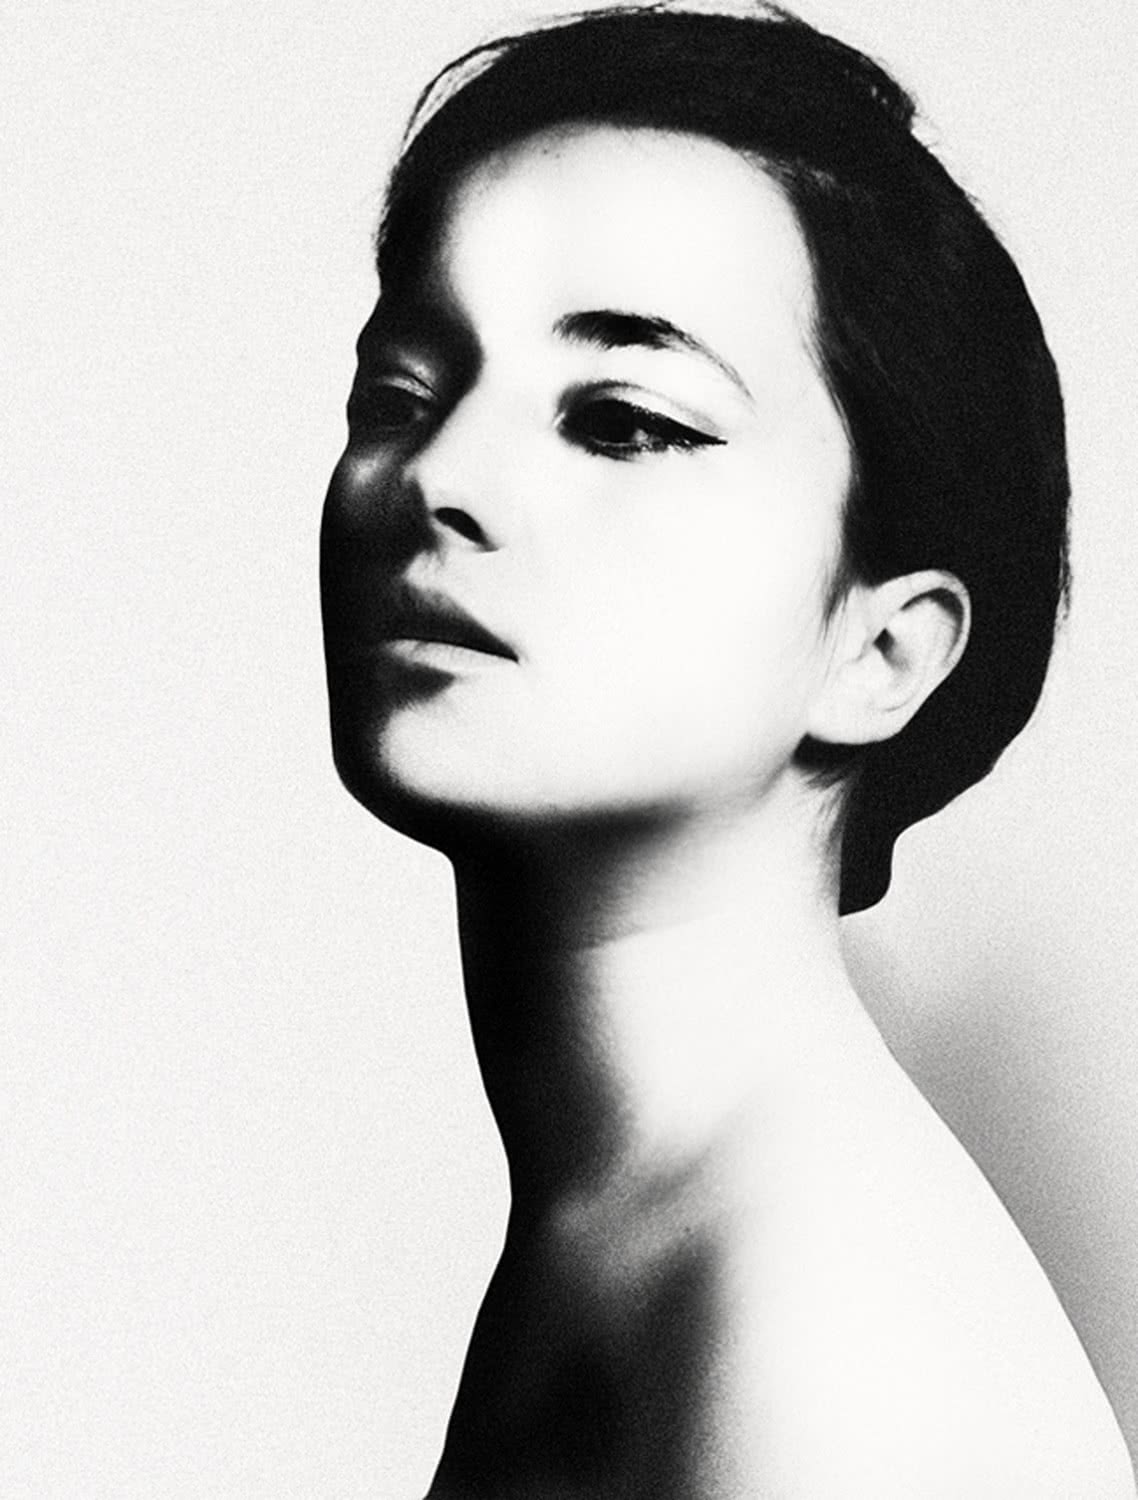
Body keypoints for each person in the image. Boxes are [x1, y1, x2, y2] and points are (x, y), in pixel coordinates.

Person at [320, 4, 1137, 1494]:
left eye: (626, 420)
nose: (437, 476)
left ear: (882, 651)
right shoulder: (639, 1231)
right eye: (404, 393)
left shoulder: (831, 1350)